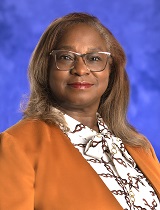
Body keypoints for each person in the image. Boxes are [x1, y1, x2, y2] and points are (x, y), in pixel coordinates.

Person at [0, 12, 160, 210]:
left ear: (111, 70)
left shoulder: (139, 146)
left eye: (94, 58)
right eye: (66, 57)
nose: (81, 69)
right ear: (45, 67)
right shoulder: (17, 146)